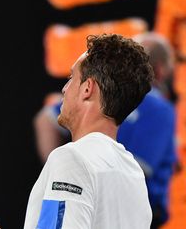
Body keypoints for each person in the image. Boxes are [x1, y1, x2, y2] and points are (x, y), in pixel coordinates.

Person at [33, 32, 177, 228]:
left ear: (87, 88)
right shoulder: (132, 173)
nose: (64, 89)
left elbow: (44, 120)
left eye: (71, 78)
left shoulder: (71, 160)